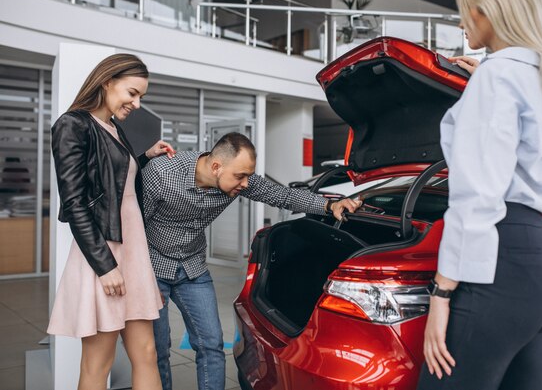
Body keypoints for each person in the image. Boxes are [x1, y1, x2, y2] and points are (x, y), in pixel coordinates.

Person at [417, 0, 542, 389]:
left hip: (499, 267)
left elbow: (477, 196)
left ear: (488, 11)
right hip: (541, 266)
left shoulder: (496, 78)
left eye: (464, 11)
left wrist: (441, 295)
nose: (461, 23)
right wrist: (482, 79)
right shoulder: (536, 73)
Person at [141, 132, 361, 390]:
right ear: (215, 167)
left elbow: (281, 195)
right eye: (240, 176)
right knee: (158, 348)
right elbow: (134, 224)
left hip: (193, 266)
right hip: (153, 265)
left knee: (211, 343)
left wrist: (328, 205)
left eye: (248, 176)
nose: (245, 184)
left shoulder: (235, 177)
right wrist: (140, 277)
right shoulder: (162, 173)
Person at [47, 53, 175, 390]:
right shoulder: (72, 124)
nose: (136, 103)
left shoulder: (114, 128)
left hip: (133, 253)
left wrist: (145, 157)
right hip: (104, 256)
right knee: (97, 364)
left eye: (141, 97)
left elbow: (117, 185)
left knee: (146, 352)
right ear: (107, 81)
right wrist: (105, 266)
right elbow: (75, 204)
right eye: (132, 93)